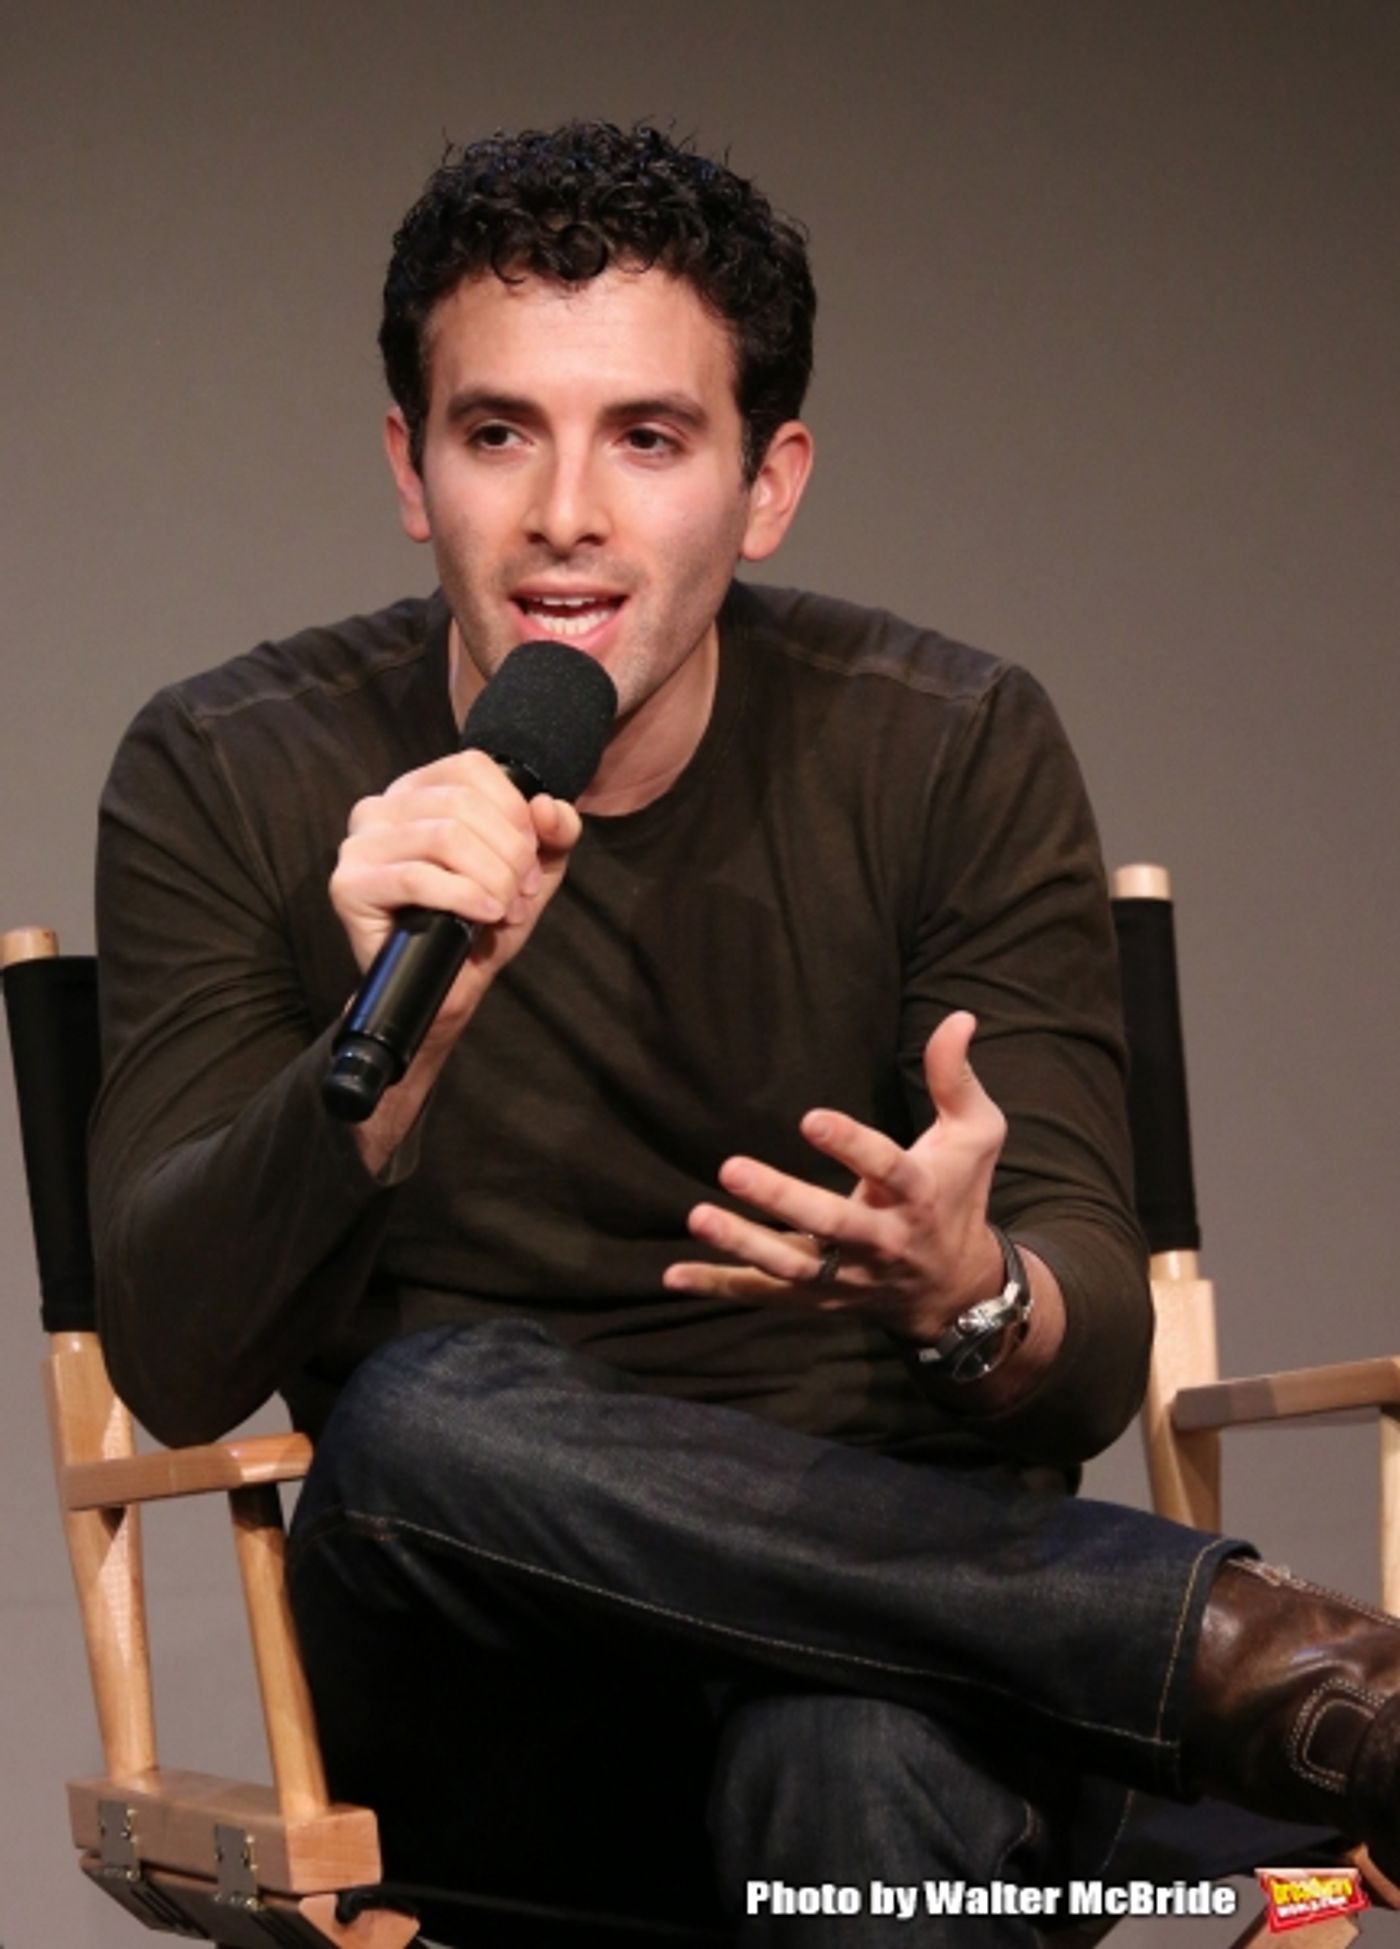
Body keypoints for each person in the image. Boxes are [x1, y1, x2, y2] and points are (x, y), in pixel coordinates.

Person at [89, 122, 1400, 1943]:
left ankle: (1182, 1665)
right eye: (497, 433)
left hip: (920, 1694)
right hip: (494, 1701)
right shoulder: (230, 769)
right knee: (411, 1419)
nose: (568, 511)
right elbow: (170, 1355)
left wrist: (972, 1292)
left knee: (852, 1763)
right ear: (411, 467)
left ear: (767, 483)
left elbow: (1086, 1347)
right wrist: (387, 1067)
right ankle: (1263, 1667)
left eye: (648, 435)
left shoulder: (945, 743)